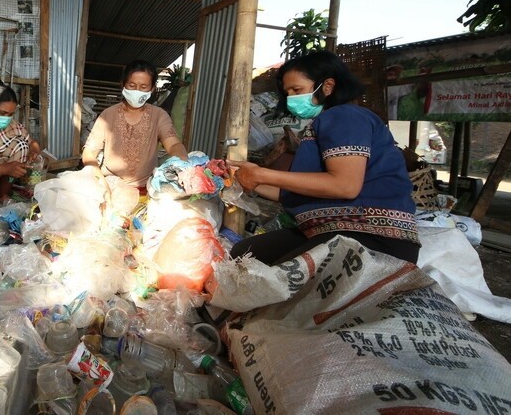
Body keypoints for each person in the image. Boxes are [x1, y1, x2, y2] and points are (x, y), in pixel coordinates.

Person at [228, 50, 420, 265]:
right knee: (243, 253)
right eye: (288, 92)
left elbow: (345, 186)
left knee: (257, 270)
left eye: (297, 90)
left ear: (327, 86)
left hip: (372, 239)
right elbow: (292, 192)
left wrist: (262, 173)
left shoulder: (344, 117)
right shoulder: (324, 123)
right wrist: (245, 178)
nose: (292, 98)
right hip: (331, 230)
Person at [82, 59, 189, 187]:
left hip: (147, 186)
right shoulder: (108, 115)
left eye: (143, 87)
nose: (137, 91)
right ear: (123, 85)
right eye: (132, 86)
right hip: (110, 184)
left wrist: (182, 163)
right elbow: (89, 152)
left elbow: (174, 144)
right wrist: (100, 180)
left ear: (152, 89)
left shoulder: (159, 116)